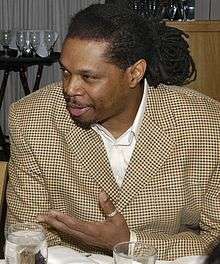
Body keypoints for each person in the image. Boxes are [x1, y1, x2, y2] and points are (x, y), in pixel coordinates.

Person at [6, 3, 220, 261]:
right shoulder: (32, 119)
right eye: (65, 72)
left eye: (89, 77)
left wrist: (129, 243)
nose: (70, 88)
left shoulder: (205, 124)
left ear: (134, 73)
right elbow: (27, 237)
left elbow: (215, 240)